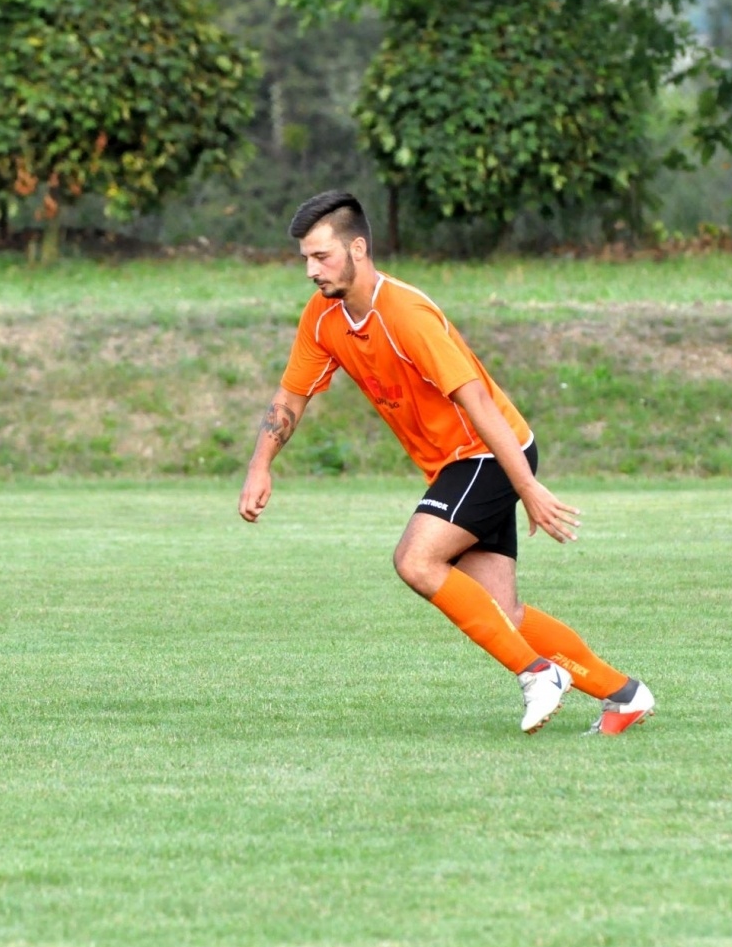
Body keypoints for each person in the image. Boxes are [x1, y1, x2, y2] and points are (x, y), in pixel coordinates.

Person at [237, 190, 655, 735]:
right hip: (458, 463)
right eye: (306, 260)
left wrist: (526, 486)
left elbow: (477, 400)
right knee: (506, 616)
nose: (311, 270)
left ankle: (538, 675)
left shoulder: (405, 314)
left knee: (416, 560)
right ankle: (626, 696)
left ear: (357, 248)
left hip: (486, 451)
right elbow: (292, 396)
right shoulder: (323, 319)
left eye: (322, 256)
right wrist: (259, 464)